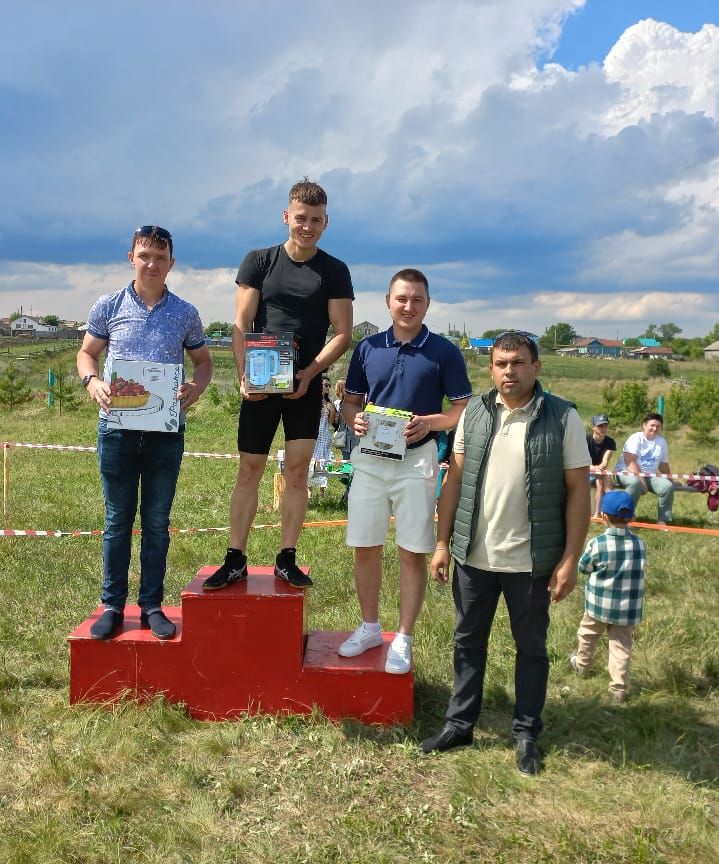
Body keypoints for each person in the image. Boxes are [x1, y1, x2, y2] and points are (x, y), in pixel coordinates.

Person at [420, 331, 590, 776]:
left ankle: (527, 733)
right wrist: (442, 544)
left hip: (532, 562)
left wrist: (570, 558)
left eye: (517, 363)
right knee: (467, 642)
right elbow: (454, 481)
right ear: (490, 368)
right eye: (500, 363)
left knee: (531, 648)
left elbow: (577, 492)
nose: (508, 371)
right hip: (474, 557)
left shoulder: (563, 418)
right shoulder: (474, 412)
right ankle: (460, 726)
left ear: (536, 367)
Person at [204, 179, 354, 591]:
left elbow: (343, 333)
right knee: (249, 469)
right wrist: (242, 376)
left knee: (297, 472)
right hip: (262, 381)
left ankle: (287, 558)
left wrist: (310, 374)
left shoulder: (334, 270)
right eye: (300, 218)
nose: (307, 226)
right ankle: (235, 557)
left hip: (305, 385)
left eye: (316, 220)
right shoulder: (259, 261)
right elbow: (241, 324)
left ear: (326, 223)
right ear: (286, 217)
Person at [76, 225, 213, 640]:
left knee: (156, 522)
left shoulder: (186, 313)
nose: (152, 264)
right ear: (131, 257)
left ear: (172, 263)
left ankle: (152, 605)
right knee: (118, 521)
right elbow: (86, 353)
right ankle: (112, 605)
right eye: (145, 255)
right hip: (116, 430)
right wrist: (92, 382)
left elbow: (204, 363)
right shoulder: (108, 305)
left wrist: (195, 388)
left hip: (165, 433)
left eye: (160, 257)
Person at [336, 269, 472, 674]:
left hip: (417, 460)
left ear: (427, 304)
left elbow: (460, 410)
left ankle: (404, 638)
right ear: (388, 301)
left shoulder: (445, 352)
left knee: (412, 551)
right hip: (371, 460)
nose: (408, 306)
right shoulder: (368, 347)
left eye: (416, 300)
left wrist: (431, 422)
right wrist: (354, 421)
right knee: (365, 545)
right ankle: (370, 627)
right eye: (401, 299)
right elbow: (351, 404)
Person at [569, 491, 647, 703]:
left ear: (603, 515)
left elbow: (584, 567)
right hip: (627, 609)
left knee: (587, 635)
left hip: (598, 606)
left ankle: (582, 665)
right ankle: (619, 688)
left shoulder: (598, 543)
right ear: (631, 517)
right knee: (621, 646)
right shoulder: (640, 544)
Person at [614, 413, 674, 526]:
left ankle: (663, 520)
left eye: (658, 426)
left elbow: (663, 465)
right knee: (635, 482)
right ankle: (624, 517)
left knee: (667, 486)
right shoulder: (636, 438)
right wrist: (641, 480)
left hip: (649, 475)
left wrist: (671, 480)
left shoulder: (662, 442)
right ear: (644, 425)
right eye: (652, 425)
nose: (655, 428)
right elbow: (629, 460)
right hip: (626, 471)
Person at [587, 413, 616, 511]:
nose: (603, 428)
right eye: (600, 426)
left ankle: (612, 511)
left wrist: (598, 469)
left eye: (605, 425)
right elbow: (581, 461)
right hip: (585, 470)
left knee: (604, 481)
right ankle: (599, 513)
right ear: (593, 427)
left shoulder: (610, 442)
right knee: (601, 479)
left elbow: (605, 461)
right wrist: (593, 468)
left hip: (600, 470)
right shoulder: (585, 439)